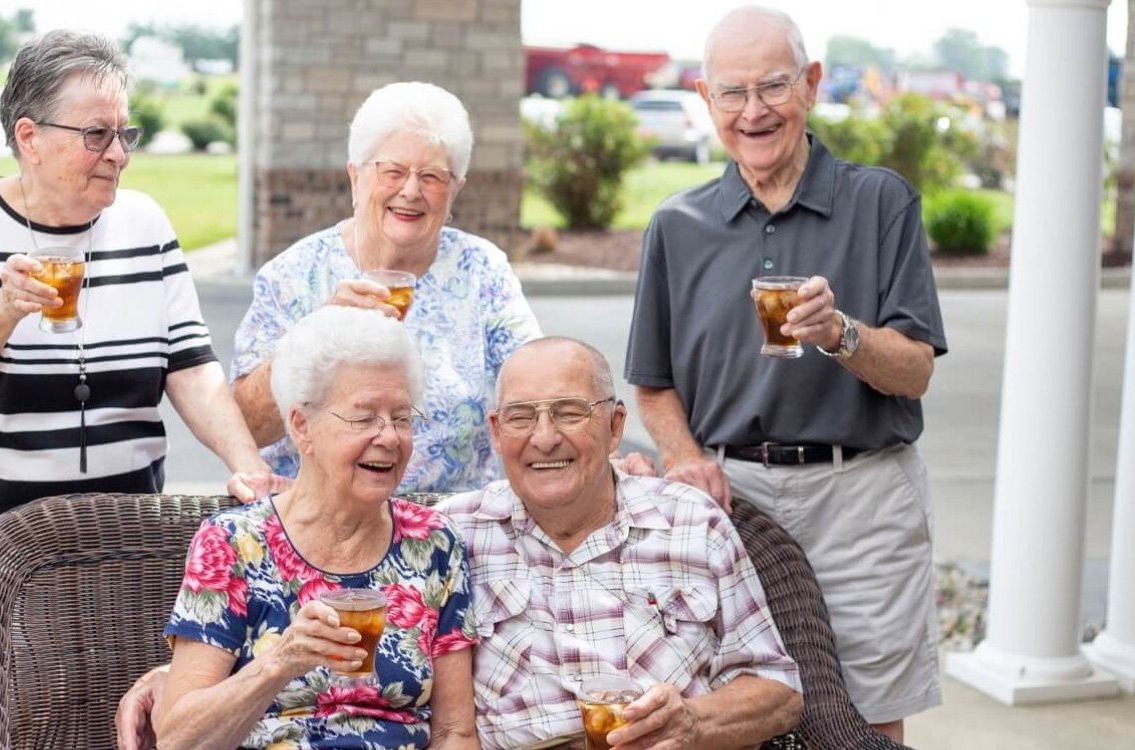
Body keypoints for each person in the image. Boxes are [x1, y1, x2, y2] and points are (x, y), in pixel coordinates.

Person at [0, 30, 282, 700]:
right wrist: (0, 313)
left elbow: (191, 368)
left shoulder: (146, 225)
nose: (120, 155)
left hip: (117, 540)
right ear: (30, 136)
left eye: (124, 133)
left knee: (117, 717)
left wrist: (245, 463)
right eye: (98, 136)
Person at [623, 6, 949, 741]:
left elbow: (916, 371)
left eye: (772, 87)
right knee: (737, 711)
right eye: (731, 94)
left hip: (860, 498)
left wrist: (841, 333)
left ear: (809, 84)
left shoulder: (880, 202)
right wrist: (681, 458)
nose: (753, 111)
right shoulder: (678, 225)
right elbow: (651, 382)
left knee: (867, 715)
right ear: (706, 101)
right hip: (732, 503)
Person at [442, 337, 802, 749]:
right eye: (521, 417)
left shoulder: (691, 522)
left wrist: (692, 722)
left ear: (615, 427)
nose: (544, 438)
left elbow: (779, 691)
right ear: (496, 432)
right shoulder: (452, 534)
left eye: (569, 412)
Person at [153, 305, 477, 749]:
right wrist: (281, 661)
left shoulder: (435, 543)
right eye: (363, 418)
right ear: (302, 427)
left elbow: (454, 731)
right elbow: (178, 740)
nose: (389, 436)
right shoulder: (233, 544)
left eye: (401, 417)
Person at [229, 81, 542, 494]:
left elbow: (537, 388)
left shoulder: (481, 269)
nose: (410, 190)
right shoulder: (294, 275)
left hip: (453, 526)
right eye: (392, 171)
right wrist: (317, 334)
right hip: (321, 530)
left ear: (455, 190)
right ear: (355, 176)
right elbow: (248, 426)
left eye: (432, 176)